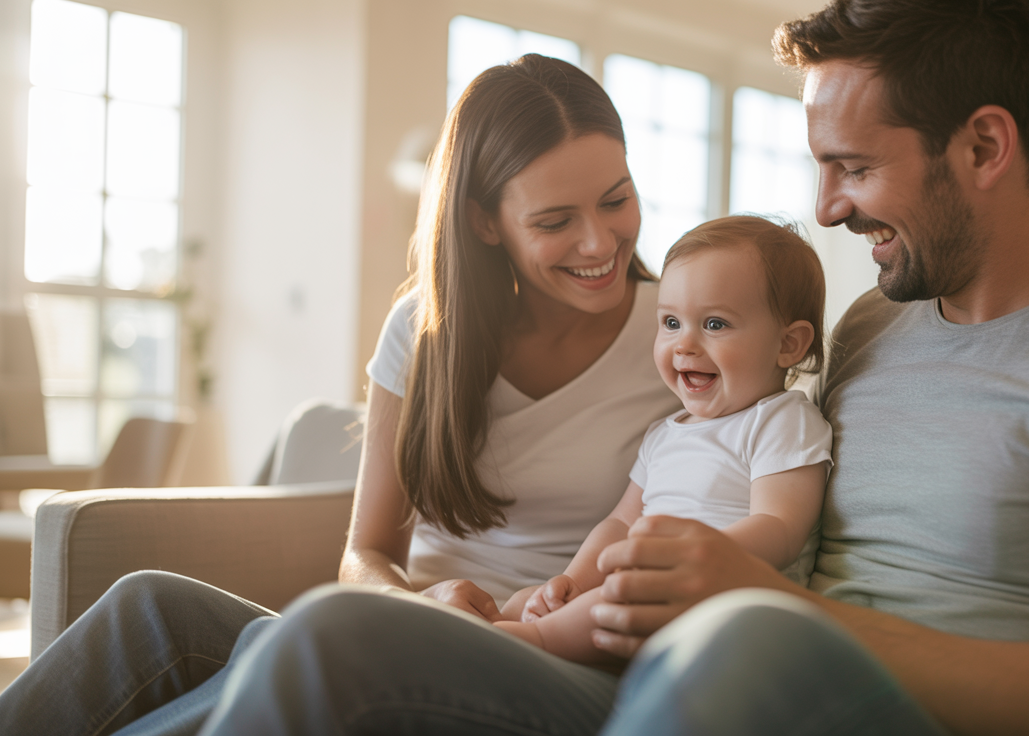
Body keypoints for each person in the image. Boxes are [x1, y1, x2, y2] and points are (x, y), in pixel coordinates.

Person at [185, 1, 1029, 735]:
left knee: (743, 640)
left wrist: (766, 603)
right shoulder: (863, 333)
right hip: (699, 675)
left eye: (853, 167)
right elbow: (734, 481)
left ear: (985, 148)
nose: (826, 210)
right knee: (329, 632)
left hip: (822, 685)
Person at [0, 54, 683, 734]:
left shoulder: (684, 336)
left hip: (556, 655)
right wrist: (418, 605)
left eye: (616, 199)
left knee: (329, 632)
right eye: (555, 221)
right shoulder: (425, 331)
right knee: (144, 605)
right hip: (410, 626)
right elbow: (364, 555)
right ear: (484, 222)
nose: (600, 240)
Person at [496, 216, 833, 665]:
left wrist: (694, 560)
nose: (684, 344)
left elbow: (780, 527)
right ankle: (544, 626)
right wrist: (573, 579)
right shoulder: (664, 433)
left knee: (607, 606)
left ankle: (534, 645)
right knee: (528, 598)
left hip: (728, 611)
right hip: (653, 592)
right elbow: (618, 524)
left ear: (788, 344)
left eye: (715, 324)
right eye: (671, 322)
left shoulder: (782, 420)